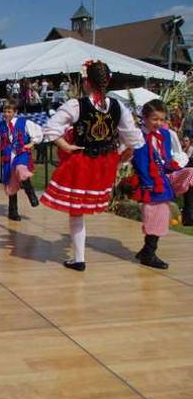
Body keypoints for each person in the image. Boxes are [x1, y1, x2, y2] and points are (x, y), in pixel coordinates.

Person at [40, 59, 144, 271]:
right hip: (104, 165)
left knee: (76, 211)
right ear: (108, 81)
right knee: (79, 211)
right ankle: (78, 258)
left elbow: (50, 129)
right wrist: (121, 155)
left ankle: (79, 259)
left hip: (82, 164)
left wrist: (66, 147)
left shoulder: (77, 105)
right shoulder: (118, 107)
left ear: (87, 82)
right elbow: (134, 138)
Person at [131, 99, 193, 268]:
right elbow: (139, 162)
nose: (158, 123)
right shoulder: (138, 136)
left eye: (162, 119)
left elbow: (170, 156)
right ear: (144, 117)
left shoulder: (166, 135)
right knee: (157, 215)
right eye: (154, 119)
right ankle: (148, 253)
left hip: (164, 177)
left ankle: (188, 211)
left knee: (191, 172)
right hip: (149, 182)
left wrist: (172, 166)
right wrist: (146, 183)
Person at [0, 99, 43, 220]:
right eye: (5, 111)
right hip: (8, 156)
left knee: (21, 170)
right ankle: (13, 212)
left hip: (21, 153)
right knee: (11, 183)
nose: (6, 114)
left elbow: (38, 133)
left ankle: (31, 194)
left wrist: (31, 144)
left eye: (9, 111)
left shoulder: (24, 122)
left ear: (15, 112)